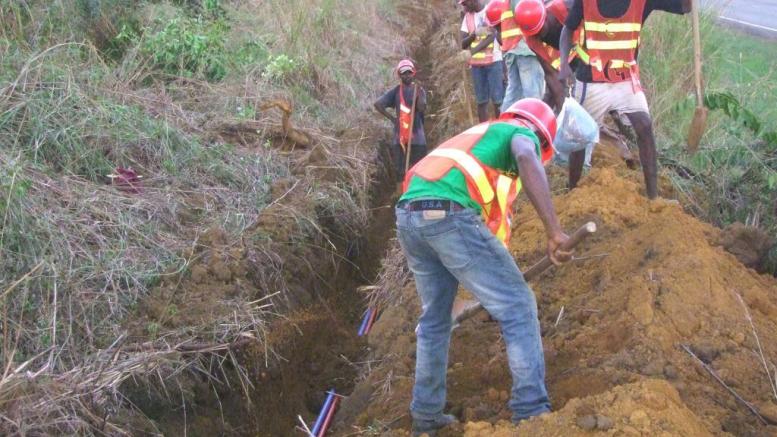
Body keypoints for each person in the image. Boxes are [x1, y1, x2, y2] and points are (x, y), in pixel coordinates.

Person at [396, 98, 572, 436]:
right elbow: (525, 155)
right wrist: (553, 231)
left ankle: (426, 416)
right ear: (542, 137)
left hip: (409, 215)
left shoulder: (478, 138)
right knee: (519, 306)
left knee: (435, 319)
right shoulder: (521, 132)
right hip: (449, 213)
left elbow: (490, 233)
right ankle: (531, 411)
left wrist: (492, 289)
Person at [558, 0, 691, 198]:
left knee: (644, 127)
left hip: (626, 79)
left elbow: (685, 7)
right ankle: (572, 191)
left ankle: (653, 197)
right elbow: (567, 30)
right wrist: (564, 64)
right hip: (592, 80)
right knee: (580, 136)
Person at [485, 0, 546, 112]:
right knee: (532, 94)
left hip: (512, 48)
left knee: (514, 92)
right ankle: (534, 125)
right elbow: (528, 17)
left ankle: (504, 123)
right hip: (524, 48)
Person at [374, 59, 428, 184]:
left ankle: (416, 193)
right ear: (400, 75)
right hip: (401, 139)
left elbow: (422, 107)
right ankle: (401, 194)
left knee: (419, 170)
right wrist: (393, 119)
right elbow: (378, 104)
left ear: (413, 73)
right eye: (404, 73)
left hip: (416, 137)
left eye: (409, 72)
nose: (407, 75)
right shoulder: (395, 91)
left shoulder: (419, 90)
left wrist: (420, 94)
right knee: (400, 171)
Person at [459, 0, 505, 122]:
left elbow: (492, 36)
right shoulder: (467, 17)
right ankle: (483, 132)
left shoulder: (489, 11)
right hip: (476, 65)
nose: (464, 7)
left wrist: (471, 52)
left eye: (465, 3)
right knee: (481, 101)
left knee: (497, 100)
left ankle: (500, 128)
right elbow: (463, 43)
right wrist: (474, 34)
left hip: (494, 61)